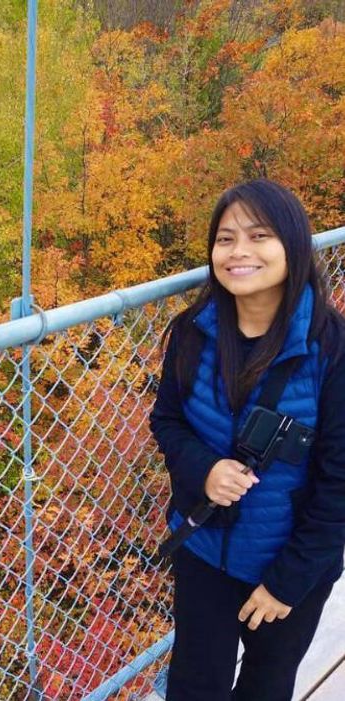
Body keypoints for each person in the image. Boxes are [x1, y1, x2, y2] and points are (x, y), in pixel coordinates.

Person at [149, 178, 345, 699]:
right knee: (195, 685)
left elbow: (340, 483)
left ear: (293, 245)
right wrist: (204, 469)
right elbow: (166, 419)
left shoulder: (331, 349)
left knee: (266, 685)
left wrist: (288, 581)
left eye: (259, 236)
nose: (238, 253)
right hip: (206, 551)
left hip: (290, 563)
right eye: (225, 238)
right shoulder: (192, 332)